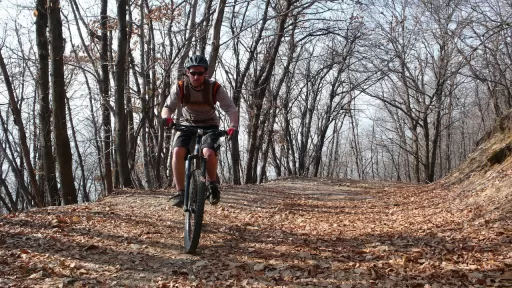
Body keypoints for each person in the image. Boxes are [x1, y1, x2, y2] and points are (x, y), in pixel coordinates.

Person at [161, 55, 238, 207]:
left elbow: (230, 108)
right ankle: (181, 192)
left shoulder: (214, 87)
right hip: (187, 125)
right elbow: (168, 107)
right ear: (187, 73)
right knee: (177, 151)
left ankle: (213, 185)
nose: (196, 76)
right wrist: (166, 118)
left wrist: (233, 125)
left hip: (210, 125)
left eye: (200, 73)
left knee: (208, 153)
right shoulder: (181, 87)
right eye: (193, 73)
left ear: (206, 73)